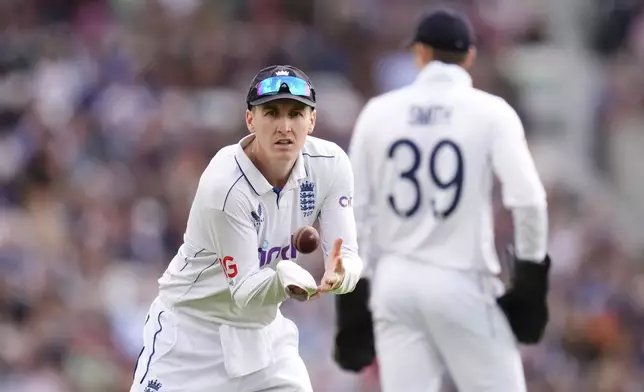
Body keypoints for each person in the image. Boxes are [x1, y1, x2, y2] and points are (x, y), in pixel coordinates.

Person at [333, 8, 552, 392]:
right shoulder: (491, 111)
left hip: (394, 284)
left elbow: (350, 210)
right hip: (460, 278)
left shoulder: (377, 113)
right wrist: (530, 287)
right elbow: (529, 200)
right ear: (469, 57)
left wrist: (352, 304)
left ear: (419, 53)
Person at [130, 65, 363, 392]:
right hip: (191, 338)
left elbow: (348, 256)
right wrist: (283, 277)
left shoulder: (331, 164)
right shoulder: (226, 184)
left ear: (312, 120)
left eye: (296, 113)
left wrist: (341, 275)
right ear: (250, 120)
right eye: (271, 113)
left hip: (264, 341)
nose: (284, 127)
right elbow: (245, 293)